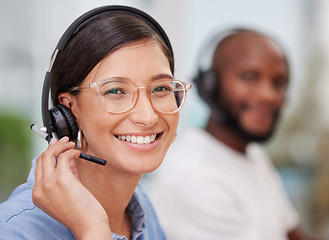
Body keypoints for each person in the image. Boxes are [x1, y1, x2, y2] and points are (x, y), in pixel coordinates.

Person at [0, 5, 191, 240]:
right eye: (115, 91)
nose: (148, 116)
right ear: (69, 111)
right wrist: (92, 230)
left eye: (160, 88)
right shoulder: (15, 232)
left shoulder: (139, 209)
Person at [150, 28, 323, 240]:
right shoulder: (195, 176)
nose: (268, 95)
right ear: (210, 85)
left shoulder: (251, 155)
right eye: (250, 77)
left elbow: (292, 232)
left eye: (278, 83)